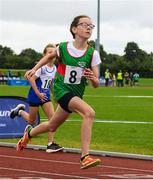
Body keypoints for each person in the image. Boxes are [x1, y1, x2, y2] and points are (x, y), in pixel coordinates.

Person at [17, 15, 101, 169]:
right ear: (74, 29)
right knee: (89, 113)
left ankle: (27, 135)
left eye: (91, 26)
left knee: (52, 126)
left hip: (75, 94)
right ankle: (85, 156)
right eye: (84, 25)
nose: (89, 28)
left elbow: (96, 83)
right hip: (61, 90)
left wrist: (93, 78)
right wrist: (34, 69)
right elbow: (49, 56)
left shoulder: (92, 54)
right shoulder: (63, 48)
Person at [10, 44, 63, 153]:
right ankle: (19, 111)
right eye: (49, 52)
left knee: (53, 119)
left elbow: (51, 83)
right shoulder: (41, 67)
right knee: (31, 120)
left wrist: (55, 95)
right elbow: (31, 79)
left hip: (46, 96)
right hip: (35, 95)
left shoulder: (54, 68)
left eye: (53, 52)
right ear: (44, 55)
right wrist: (38, 93)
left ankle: (50, 144)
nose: (51, 55)